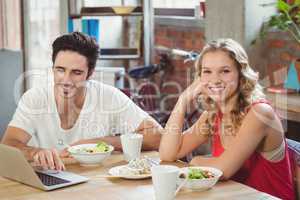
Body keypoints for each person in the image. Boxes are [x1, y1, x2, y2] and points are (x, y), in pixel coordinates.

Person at [1, 32, 161, 171]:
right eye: (60, 70)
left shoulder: (109, 96)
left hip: (95, 182)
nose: (66, 80)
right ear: (52, 68)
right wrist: (35, 152)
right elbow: (8, 145)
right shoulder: (35, 98)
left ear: (90, 73)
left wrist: (101, 142)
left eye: (76, 73)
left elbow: (158, 136)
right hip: (47, 180)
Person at [159, 38, 295, 199]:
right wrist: (182, 100)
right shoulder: (213, 114)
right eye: (207, 71)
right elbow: (168, 154)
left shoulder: (260, 113)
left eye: (225, 71)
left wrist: (196, 161)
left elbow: (223, 170)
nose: (215, 79)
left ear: (241, 74)